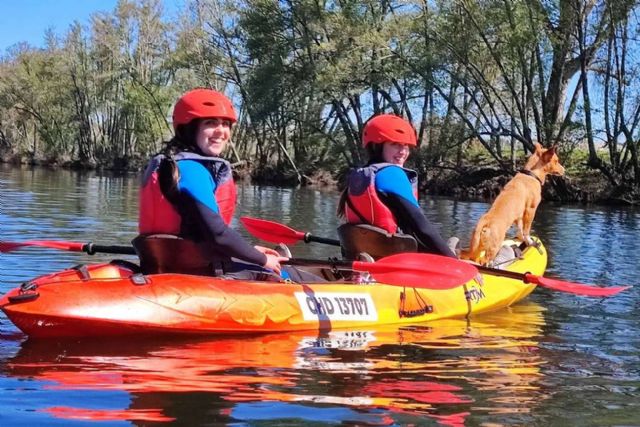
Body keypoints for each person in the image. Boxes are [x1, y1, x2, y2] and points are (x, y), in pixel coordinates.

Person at [137, 88, 287, 277]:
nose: (221, 131)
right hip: (199, 273)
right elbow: (219, 234)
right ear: (189, 128)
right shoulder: (192, 170)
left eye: (225, 124)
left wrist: (251, 252)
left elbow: (205, 234)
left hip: (165, 266)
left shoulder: (172, 164)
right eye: (210, 123)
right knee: (290, 275)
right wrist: (263, 260)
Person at [337, 114, 456, 258]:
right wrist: (454, 261)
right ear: (377, 146)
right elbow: (423, 229)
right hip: (397, 262)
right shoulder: (392, 174)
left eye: (406, 146)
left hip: (365, 259)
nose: (403, 151)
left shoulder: (359, 176)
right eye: (395, 144)